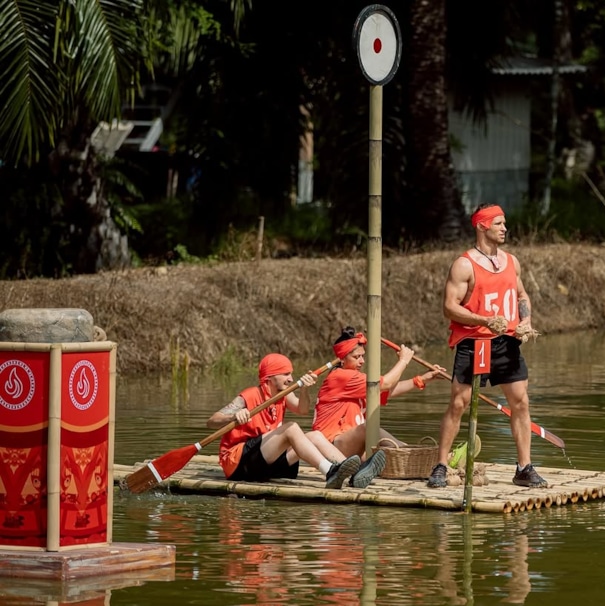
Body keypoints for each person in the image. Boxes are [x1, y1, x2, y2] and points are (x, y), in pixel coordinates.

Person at [427, 203, 547, 489]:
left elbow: (522, 294)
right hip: (475, 342)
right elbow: (449, 307)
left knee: (521, 402)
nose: (504, 228)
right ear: (482, 226)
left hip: (507, 342)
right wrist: (483, 319)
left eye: (504, 223)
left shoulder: (512, 261)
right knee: (459, 403)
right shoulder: (464, 264)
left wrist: (526, 321)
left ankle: (523, 467)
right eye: (498, 223)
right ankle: (441, 466)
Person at [206, 353, 380, 490]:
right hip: (239, 464)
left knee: (315, 435)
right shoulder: (250, 395)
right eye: (286, 374)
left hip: (265, 463)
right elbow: (212, 421)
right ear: (270, 377)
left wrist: (304, 389)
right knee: (291, 428)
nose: (290, 378)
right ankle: (329, 471)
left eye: (291, 374)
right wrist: (234, 416)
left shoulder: (284, 394)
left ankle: (354, 475)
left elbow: (302, 409)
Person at [313, 327, 447, 464]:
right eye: (356, 357)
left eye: (362, 356)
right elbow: (386, 383)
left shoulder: (353, 378)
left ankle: (425, 457)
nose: (362, 361)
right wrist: (403, 361)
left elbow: (388, 390)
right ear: (341, 360)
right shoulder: (341, 377)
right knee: (369, 428)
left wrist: (424, 379)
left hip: (350, 445)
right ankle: (416, 456)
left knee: (388, 452)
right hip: (332, 447)